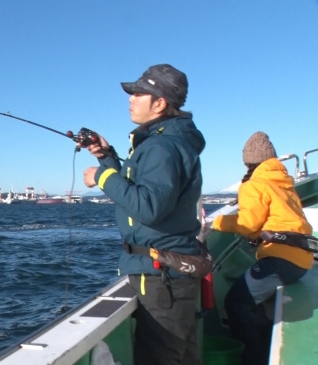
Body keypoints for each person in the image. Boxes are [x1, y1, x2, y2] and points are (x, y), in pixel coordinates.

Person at [81, 64, 206, 365]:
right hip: (168, 272)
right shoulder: (165, 143)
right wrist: (107, 157)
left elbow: (149, 206)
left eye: (139, 93)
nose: (131, 98)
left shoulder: (162, 147)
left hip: (162, 278)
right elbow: (143, 186)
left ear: (160, 103)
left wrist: (101, 177)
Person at [210, 131, 313, 365]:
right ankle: (263, 340)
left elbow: (247, 223)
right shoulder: (283, 183)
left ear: (249, 162)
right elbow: (275, 221)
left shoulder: (254, 185)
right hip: (301, 261)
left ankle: (255, 357)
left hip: (281, 260)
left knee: (236, 302)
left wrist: (216, 222)